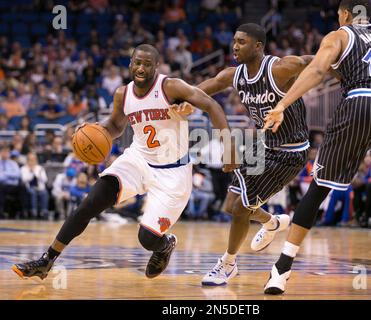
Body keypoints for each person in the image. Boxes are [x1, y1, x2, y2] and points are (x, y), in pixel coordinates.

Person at [12, 44, 237, 280]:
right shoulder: (123, 93)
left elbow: (212, 105)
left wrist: (229, 145)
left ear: (156, 67)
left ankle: (165, 245)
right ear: (130, 64)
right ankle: (47, 261)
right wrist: (94, 130)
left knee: (147, 238)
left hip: (173, 172)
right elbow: (115, 126)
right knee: (89, 204)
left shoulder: (171, 86)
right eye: (137, 62)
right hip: (138, 159)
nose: (141, 68)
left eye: (147, 64)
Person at [263, 0, 371, 294]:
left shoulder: (340, 35)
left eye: (339, 14)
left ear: (346, 13)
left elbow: (316, 71)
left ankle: (281, 270)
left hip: (358, 104)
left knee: (320, 186)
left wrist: (283, 104)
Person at [175, 23, 313, 286]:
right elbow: (207, 87)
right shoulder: (235, 75)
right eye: (234, 41)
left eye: (242, 42)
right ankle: (271, 222)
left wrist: (346, 61)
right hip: (260, 146)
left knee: (240, 208)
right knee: (231, 206)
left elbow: (313, 61)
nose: (235, 46)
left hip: (289, 152)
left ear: (258, 46)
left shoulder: (279, 69)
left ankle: (228, 264)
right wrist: (182, 99)